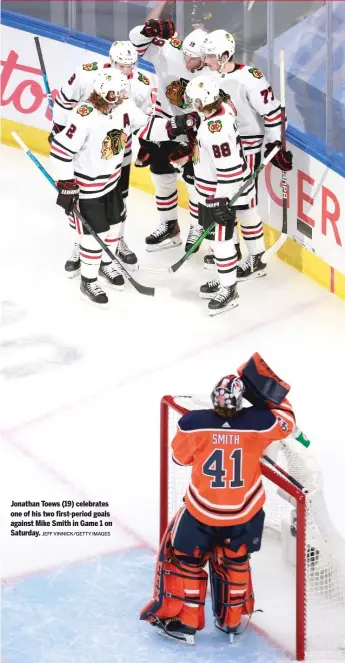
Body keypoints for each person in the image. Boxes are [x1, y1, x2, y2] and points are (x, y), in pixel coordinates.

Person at [140, 352, 296, 645]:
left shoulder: (192, 422)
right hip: (243, 515)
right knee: (236, 562)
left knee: (185, 561)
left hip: (201, 513)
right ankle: (232, 622)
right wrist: (265, 395)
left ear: (214, 399)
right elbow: (288, 419)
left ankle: (184, 623)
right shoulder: (260, 423)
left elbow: (179, 458)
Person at [50, 69, 168, 307]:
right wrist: (66, 185)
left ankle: (105, 265)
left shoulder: (123, 108)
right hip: (88, 188)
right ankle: (88, 281)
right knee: (96, 234)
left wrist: (177, 126)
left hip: (111, 182)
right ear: (109, 94)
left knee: (115, 227)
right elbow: (61, 150)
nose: (126, 94)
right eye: (121, 91)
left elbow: (147, 126)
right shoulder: (83, 116)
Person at [50, 40, 154, 275]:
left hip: (118, 155)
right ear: (110, 59)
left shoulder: (141, 85)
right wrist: (60, 130)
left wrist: (148, 144)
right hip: (87, 156)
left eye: (129, 66)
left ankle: (114, 244)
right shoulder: (87, 75)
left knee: (117, 203)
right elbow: (65, 101)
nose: (124, 71)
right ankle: (81, 244)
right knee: (83, 203)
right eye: (120, 65)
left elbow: (144, 119)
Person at [201, 29, 293, 279]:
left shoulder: (250, 78)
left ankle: (256, 259)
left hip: (247, 148)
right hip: (221, 148)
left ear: (223, 55)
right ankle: (233, 250)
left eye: (210, 55)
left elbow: (273, 114)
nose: (205, 59)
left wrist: (276, 146)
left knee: (244, 206)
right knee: (224, 202)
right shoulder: (209, 76)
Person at [165, 76, 254, 315]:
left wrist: (221, 200)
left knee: (222, 242)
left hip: (219, 194)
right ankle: (225, 277)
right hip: (211, 192)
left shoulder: (215, 131)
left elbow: (230, 169)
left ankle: (229, 289)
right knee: (216, 242)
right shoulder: (223, 109)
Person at [129, 14, 212, 253]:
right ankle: (169, 225)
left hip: (195, 132)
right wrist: (148, 30)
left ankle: (197, 226)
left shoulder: (215, 73)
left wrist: (193, 127)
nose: (187, 62)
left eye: (193, 59)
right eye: (185, 54)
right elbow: (136, 42)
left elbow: (221, 111)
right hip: (164, 123)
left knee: (195, 181)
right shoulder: (171, 49)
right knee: (160, 175)